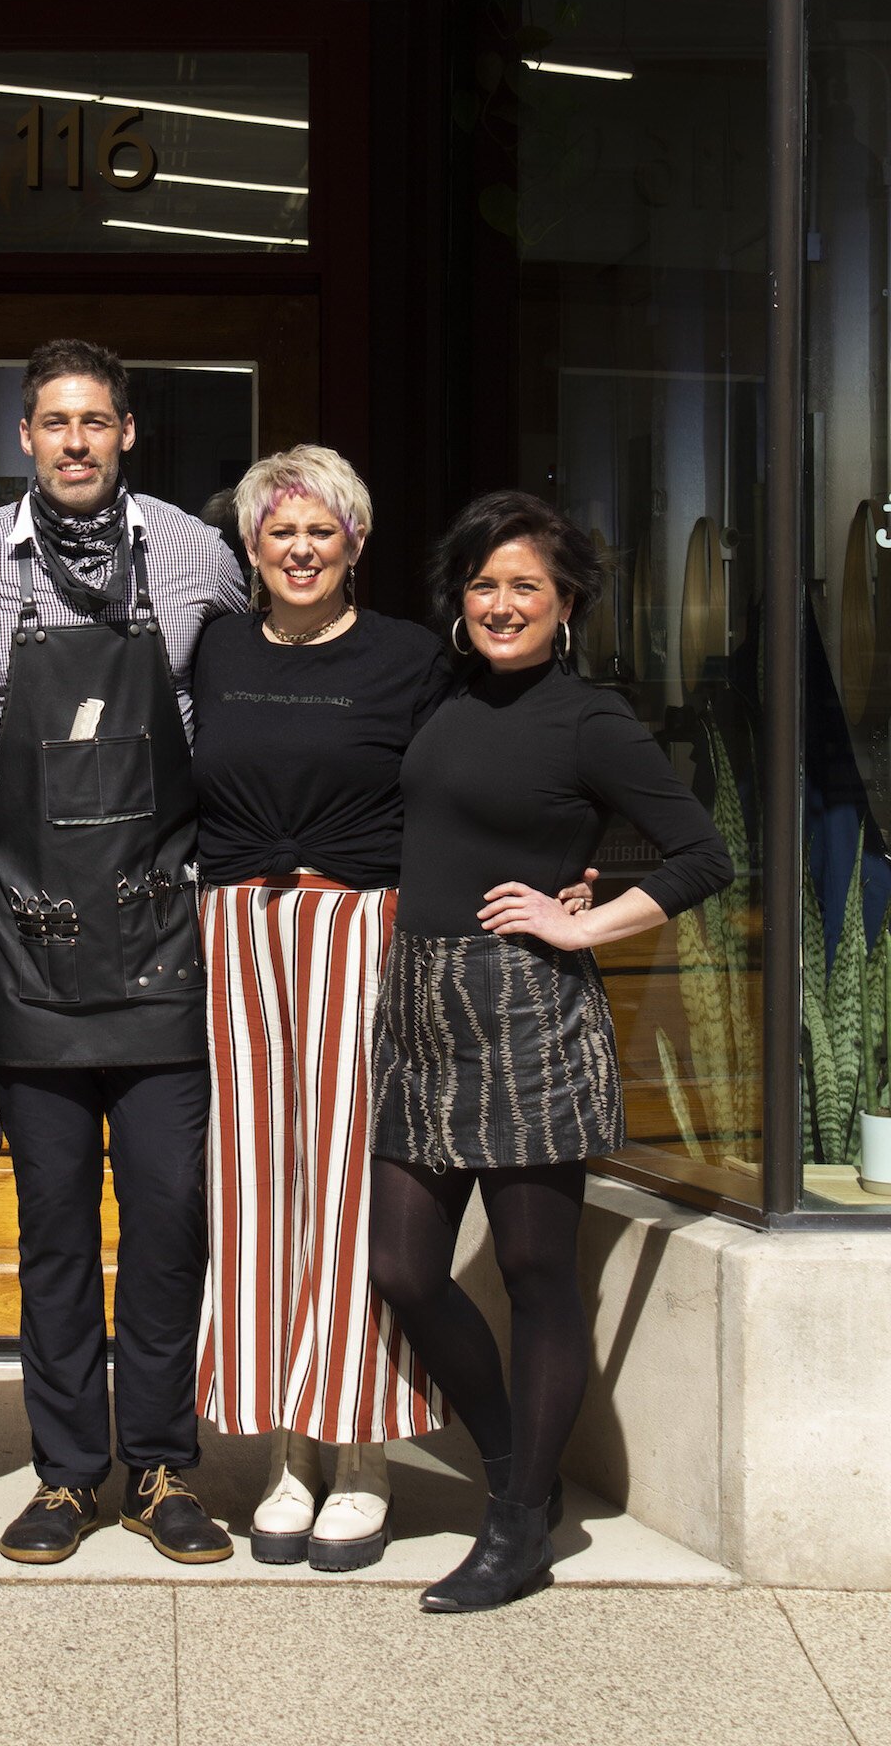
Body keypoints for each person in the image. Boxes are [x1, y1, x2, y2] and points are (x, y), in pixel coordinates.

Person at [367, 490, 734, 1615]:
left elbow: (702, 854)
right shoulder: (443, 693)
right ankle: (514, 1471)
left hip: (526, 1012)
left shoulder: (591, 720)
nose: (501, 604)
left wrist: (583, 922)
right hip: (420, 1010)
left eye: (525, 586)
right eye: (483, 585)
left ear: (566, 602)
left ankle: (519, 1523)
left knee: (534, 1275)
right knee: (403, 1272)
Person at [0, 338, 248, 1565]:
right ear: (25, 436)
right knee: (55, 1230)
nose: (75, 442)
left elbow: (257, 697)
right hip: (30, 947)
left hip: (162, 942)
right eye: (54, 423)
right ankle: (67, 1475)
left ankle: (162, 1467)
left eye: (95, 421)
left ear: (127, 432)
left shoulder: (194, 553)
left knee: (169, 1216)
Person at [191, 445, 452, 1570]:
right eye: (279, 532)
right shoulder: (215, 647)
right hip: (237, 933)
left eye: (321, 530)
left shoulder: (409, 657)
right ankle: (285, 1448)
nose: (300, 550)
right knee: (254, 1195)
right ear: (251, 547)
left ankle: (362, 1453)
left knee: (350, 1191)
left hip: (361, 932)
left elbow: (462, 788)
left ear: (356, 541)